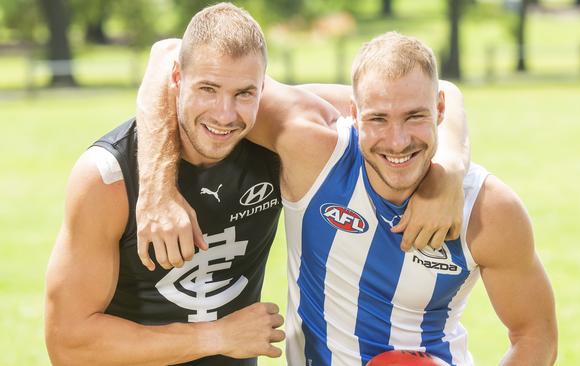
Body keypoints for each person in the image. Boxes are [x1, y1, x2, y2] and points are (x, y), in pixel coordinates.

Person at [45, 3, 470, 366]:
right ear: (176, 82)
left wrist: (448, 169)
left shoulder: (278, 135)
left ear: (265, 90)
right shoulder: (107, 177)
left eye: (245, 93)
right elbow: (67, 340)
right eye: (207, 89)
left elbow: (430, 97)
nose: (225, 114)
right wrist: (213, 337)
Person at [137, 32, 557, 365]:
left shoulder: (488, 211)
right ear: (353, 114)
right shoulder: (312, 152)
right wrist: (156, 191)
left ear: (439, 110)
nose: (397, 141)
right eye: (378, 118)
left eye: (415, 116)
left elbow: (535, 336)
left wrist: (448, 168)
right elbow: (170, 55)